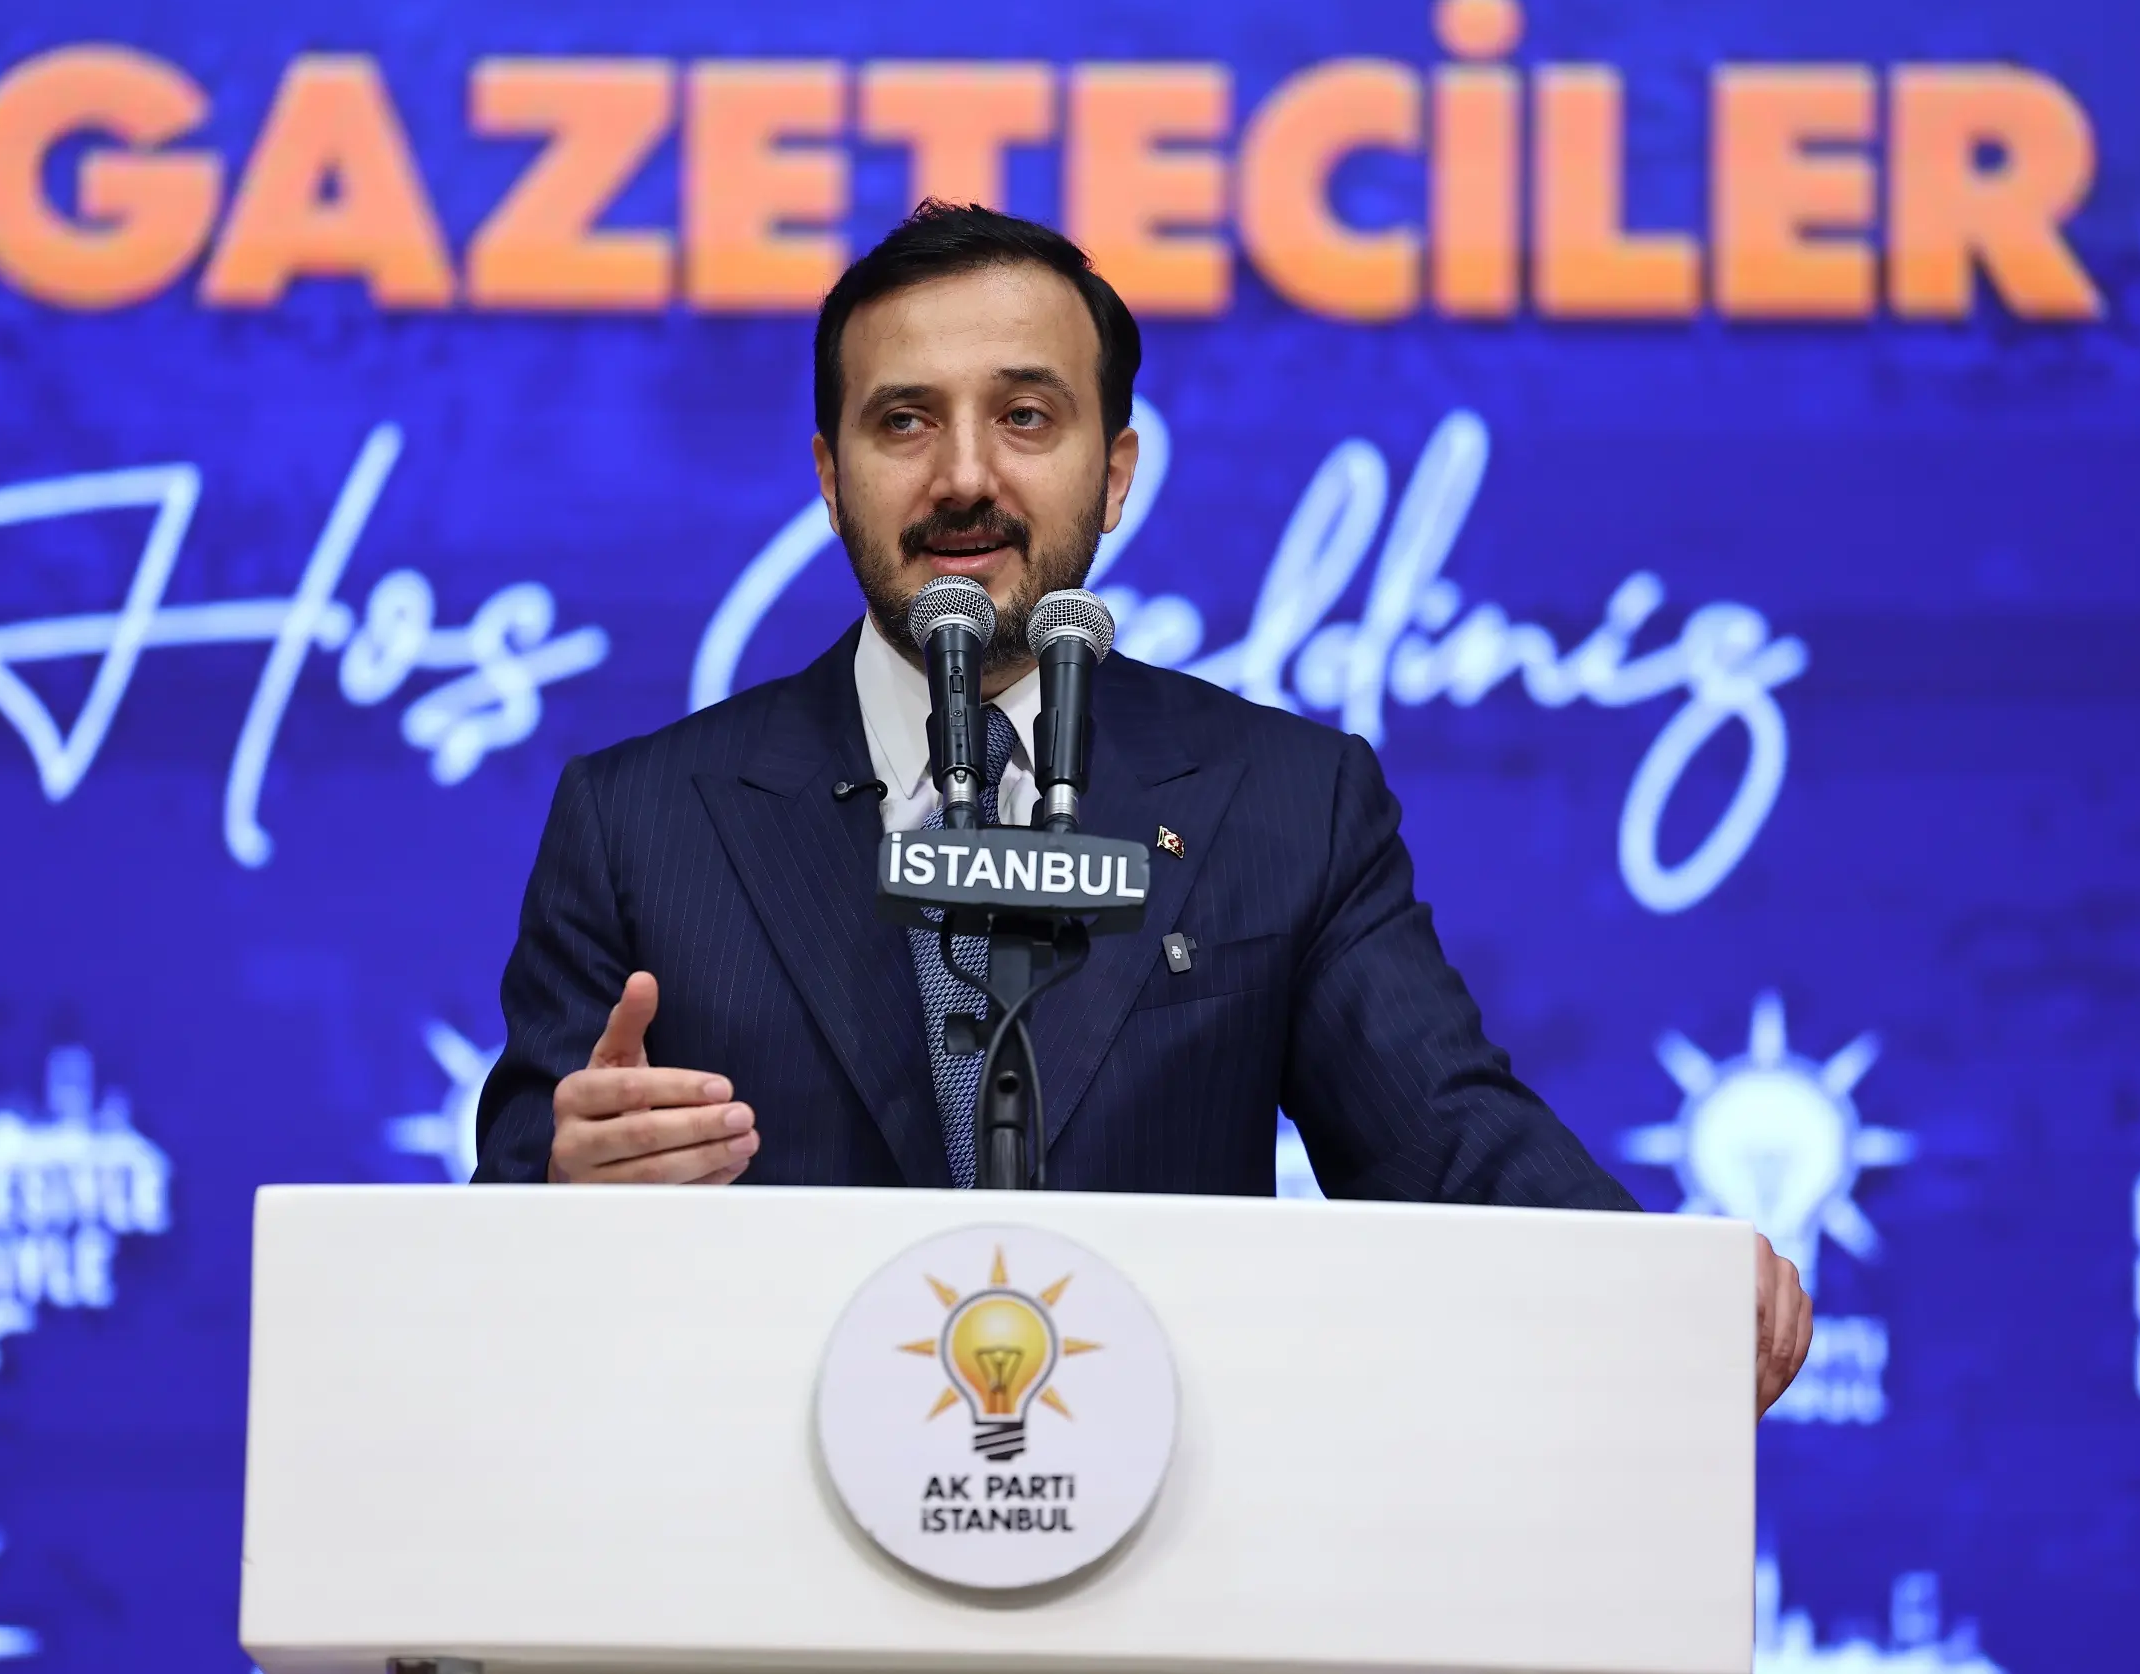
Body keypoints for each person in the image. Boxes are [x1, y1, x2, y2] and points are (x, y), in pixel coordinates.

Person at [475, 201, 1812, 1415]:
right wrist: (557, 1201)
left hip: (1167, 1532)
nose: (963, 476)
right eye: (905, 421)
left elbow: (1447, 1140)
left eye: (1025, 417)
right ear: (830, 475)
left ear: (1114, 472)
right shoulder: (640, 822)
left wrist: (1664, 1290)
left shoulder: (1284, 802)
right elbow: (487, 1264)